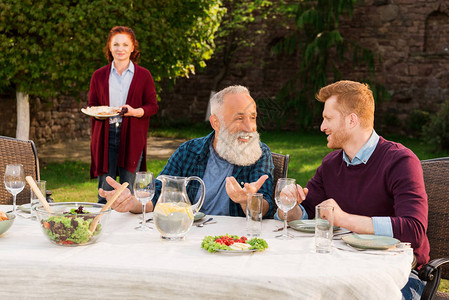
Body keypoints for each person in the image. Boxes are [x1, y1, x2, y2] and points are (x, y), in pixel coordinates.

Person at [277, 80, 429, 300]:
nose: (322, 127)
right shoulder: (331, 164)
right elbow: (307, 211)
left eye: (328, 118)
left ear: (351, 120)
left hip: (398, 275)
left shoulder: (401, 161)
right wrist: (290, 205)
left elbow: (414, 229)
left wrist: (344, 219)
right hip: (342, 268)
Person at [101, 85, 274, 217]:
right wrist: (133, 203)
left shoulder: (259, 153)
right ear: (215, 123)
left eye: (253, 117)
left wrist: (248, 200)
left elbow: (264, 209)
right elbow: (158, 194)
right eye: (239, 118)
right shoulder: (188, 151)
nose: (250, 127)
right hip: (187, 236)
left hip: (234, 243)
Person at [88, 26, 159, 204]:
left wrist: (134, 112)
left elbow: (152, 107)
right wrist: (99, 114)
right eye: (116, 44)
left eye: (125, 44)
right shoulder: (98, 76)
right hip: (105, 136)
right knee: (105, 190)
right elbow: (92, 106)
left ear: (133, 48)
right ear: (110, 47)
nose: (121, 49)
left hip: (132, 136)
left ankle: (129, 228)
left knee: (130, 190)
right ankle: (102, 225)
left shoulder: (144, 76)